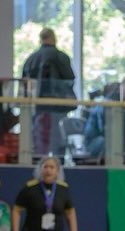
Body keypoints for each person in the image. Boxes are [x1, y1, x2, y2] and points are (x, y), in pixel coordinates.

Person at [20, 27, 76, 156]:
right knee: (58, 140)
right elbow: (69, 78)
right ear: (54, 38)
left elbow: (25, 83)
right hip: (58, 106)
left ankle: (38, 160)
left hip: (36, 107)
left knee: (38, 139)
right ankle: (58, 162)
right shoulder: (61, 57)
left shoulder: (30, 59)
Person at [83, 76, 125, 160]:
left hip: (123, 140)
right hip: (97, 142)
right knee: (113, 143)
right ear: (119, 90)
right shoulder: (108, 105)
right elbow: (108, 132)